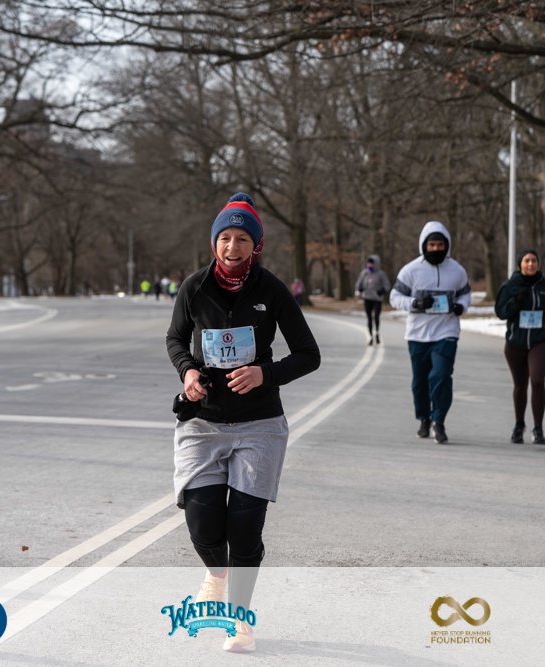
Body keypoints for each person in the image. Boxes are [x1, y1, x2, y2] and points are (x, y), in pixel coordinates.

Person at [166, 192, 321, 653]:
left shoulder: (271, 290)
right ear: (214, 242)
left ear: (256, 246)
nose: (232, 247)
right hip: (203, 422)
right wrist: (188, 372)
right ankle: (216, 574)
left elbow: (308, 354)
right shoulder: (194, 288)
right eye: (225, 238)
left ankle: (239, 620)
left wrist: (264, 374)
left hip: (259, 424)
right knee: (202, 525)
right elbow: (176, 338)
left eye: (242, 239)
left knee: (245, 529)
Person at [389, 221, 471, 444]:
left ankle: (439, 420)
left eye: (440, 245)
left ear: (447, 245)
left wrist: (461, 306)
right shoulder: (410, 270)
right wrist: (414, 303)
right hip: (418, 334)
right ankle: (424, 418)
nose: (436, 249)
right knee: (420, 381)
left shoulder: (457, 270)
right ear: (424, 245)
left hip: (446, 331)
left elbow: (465, 294)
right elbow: (394, 297)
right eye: (432, 245)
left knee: (441, 375)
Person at [494, 249, 545, 445]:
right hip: (515, 342)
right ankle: (519, 425)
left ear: (538, 263)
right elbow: (501, 313)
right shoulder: (509, 286)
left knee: (537, 381)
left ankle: (538, 429)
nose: (531, 264)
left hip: (539, 341)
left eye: (534, 260)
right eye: (527, 261)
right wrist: (516, 301)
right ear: (520, 264)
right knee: (520, 385)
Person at [354, 255, 391, 345]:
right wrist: (359, 289)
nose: (370, 265)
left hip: (377, 299)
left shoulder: (381, 274)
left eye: (372, 264)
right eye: (369, 263)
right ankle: (370, 336)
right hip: (367, 298)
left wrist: (382, 291)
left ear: (376, 264)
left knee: (376, 316)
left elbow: (387, 285)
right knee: (369, 317)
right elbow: (359, 284)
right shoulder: (364, 273)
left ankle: (377, 333)